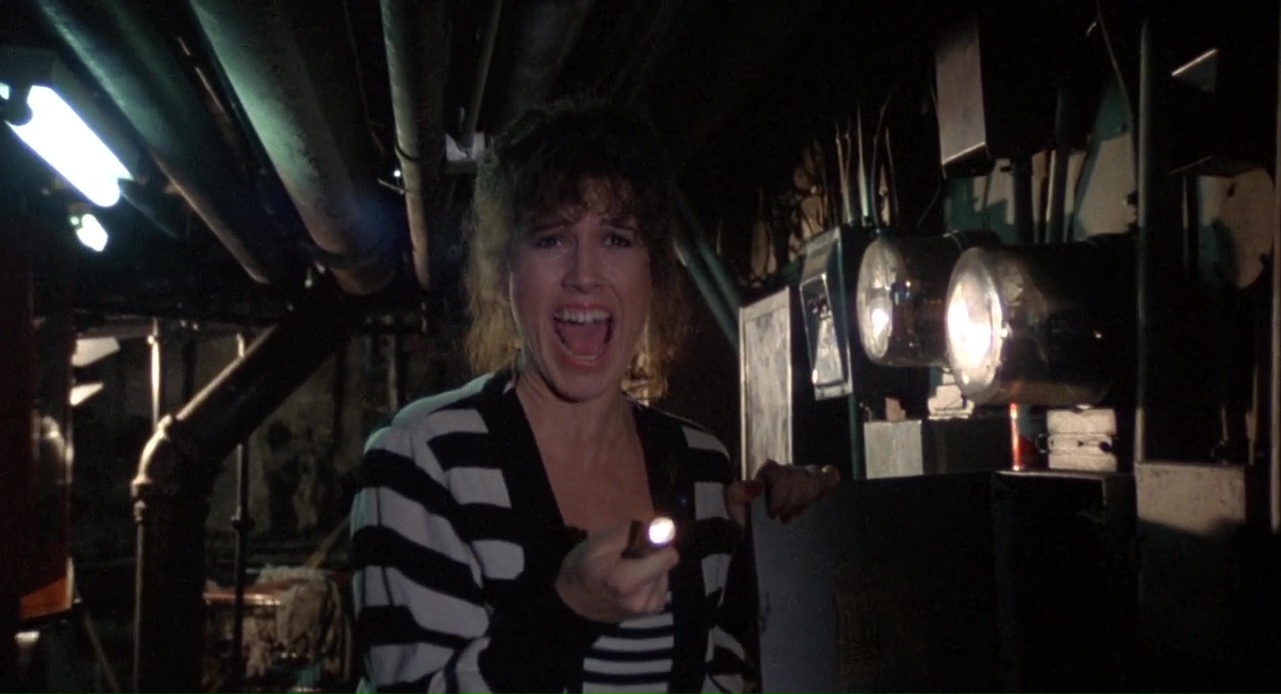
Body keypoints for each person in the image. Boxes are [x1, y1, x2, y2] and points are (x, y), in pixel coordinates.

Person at [350, 97, 839, 694]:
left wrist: (784, 551)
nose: (585, 274)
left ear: (652, 273)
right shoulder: (423, 459)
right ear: (505, 275)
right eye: (551, 239)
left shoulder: (700, 467)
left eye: (616, 238)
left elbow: (725, 676)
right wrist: (568, 611)